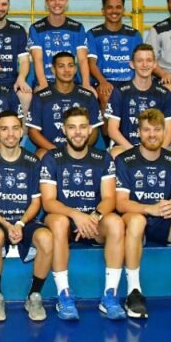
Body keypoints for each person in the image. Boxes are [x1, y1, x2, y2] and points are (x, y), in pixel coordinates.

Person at [115, 109, 171, 319]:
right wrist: (149, 208)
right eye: (147, 130)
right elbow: (121, 203)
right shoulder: (125, 160)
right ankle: (134, 292)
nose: (152, 135)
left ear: (165, 132)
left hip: (165, 221)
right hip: (136, 219)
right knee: (137, 221)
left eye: (157, 130)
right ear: (139, 132)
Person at [38, 106, 126, 321]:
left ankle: (110, 295)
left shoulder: (103, 158)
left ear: (90, 130)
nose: (77, 132)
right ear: (64, 130)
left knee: (116, 223)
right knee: (58, 222)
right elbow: (48, 202)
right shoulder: (52, 157)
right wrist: (76, 215)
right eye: (72, 127)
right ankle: (64, 295)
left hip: (94, 221)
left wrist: (94, 217)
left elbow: (109, 199)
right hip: (65, 219)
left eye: (82, 127)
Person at [0, 112, 51, 322]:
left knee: (46, 239)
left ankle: (34, 296)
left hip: (24, 220)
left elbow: (36, 202)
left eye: (15, 128)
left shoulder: (32, 161)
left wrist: (19, 223)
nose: (10, 134)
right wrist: (6, 224)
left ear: (21, 132)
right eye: (4, 129)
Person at [28, 51, 102, 157]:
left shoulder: (88, 96)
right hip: (52, 151)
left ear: (75, 69)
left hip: (80, 151)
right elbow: (33, 132)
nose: (67, 70)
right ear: (53, 70)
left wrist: (80, 150)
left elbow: (94, 130)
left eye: (70, 66)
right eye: (61, 66)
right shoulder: (40, 97)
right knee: (41, 154)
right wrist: (58, 152)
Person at [106, 44, 171, 154]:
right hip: (127, 147)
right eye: (140, 61)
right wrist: (134, 152)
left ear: (154, 64)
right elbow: (112, 130)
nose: (144, 65)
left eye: (149, 60)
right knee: (115, 154)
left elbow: (169, 130)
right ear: (132, 64)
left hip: (157, 148)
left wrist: (158, 153)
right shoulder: (120, 92)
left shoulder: (164, 93)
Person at [29, 0, 92, 94]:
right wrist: (43, 84)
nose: (57, 3)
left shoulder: (77, 28)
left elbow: (82, 59)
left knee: (92, 94)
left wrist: (86, 84)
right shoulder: (36, 28)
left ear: (66, 2)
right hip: (46, 81)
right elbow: (37, 59)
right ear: (46, 3)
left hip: (71, 82)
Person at [87, 0, 142, 110]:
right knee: (106, 96)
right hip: (105, 80)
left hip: (129, 82)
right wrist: (103, 82)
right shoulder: (93, 34)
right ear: (103, 11)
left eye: (118, 7)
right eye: (110, 7)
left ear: (123, 10)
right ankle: (108, 123)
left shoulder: (134, 35)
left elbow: (141, 62)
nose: (114, 11)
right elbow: (91, 64)